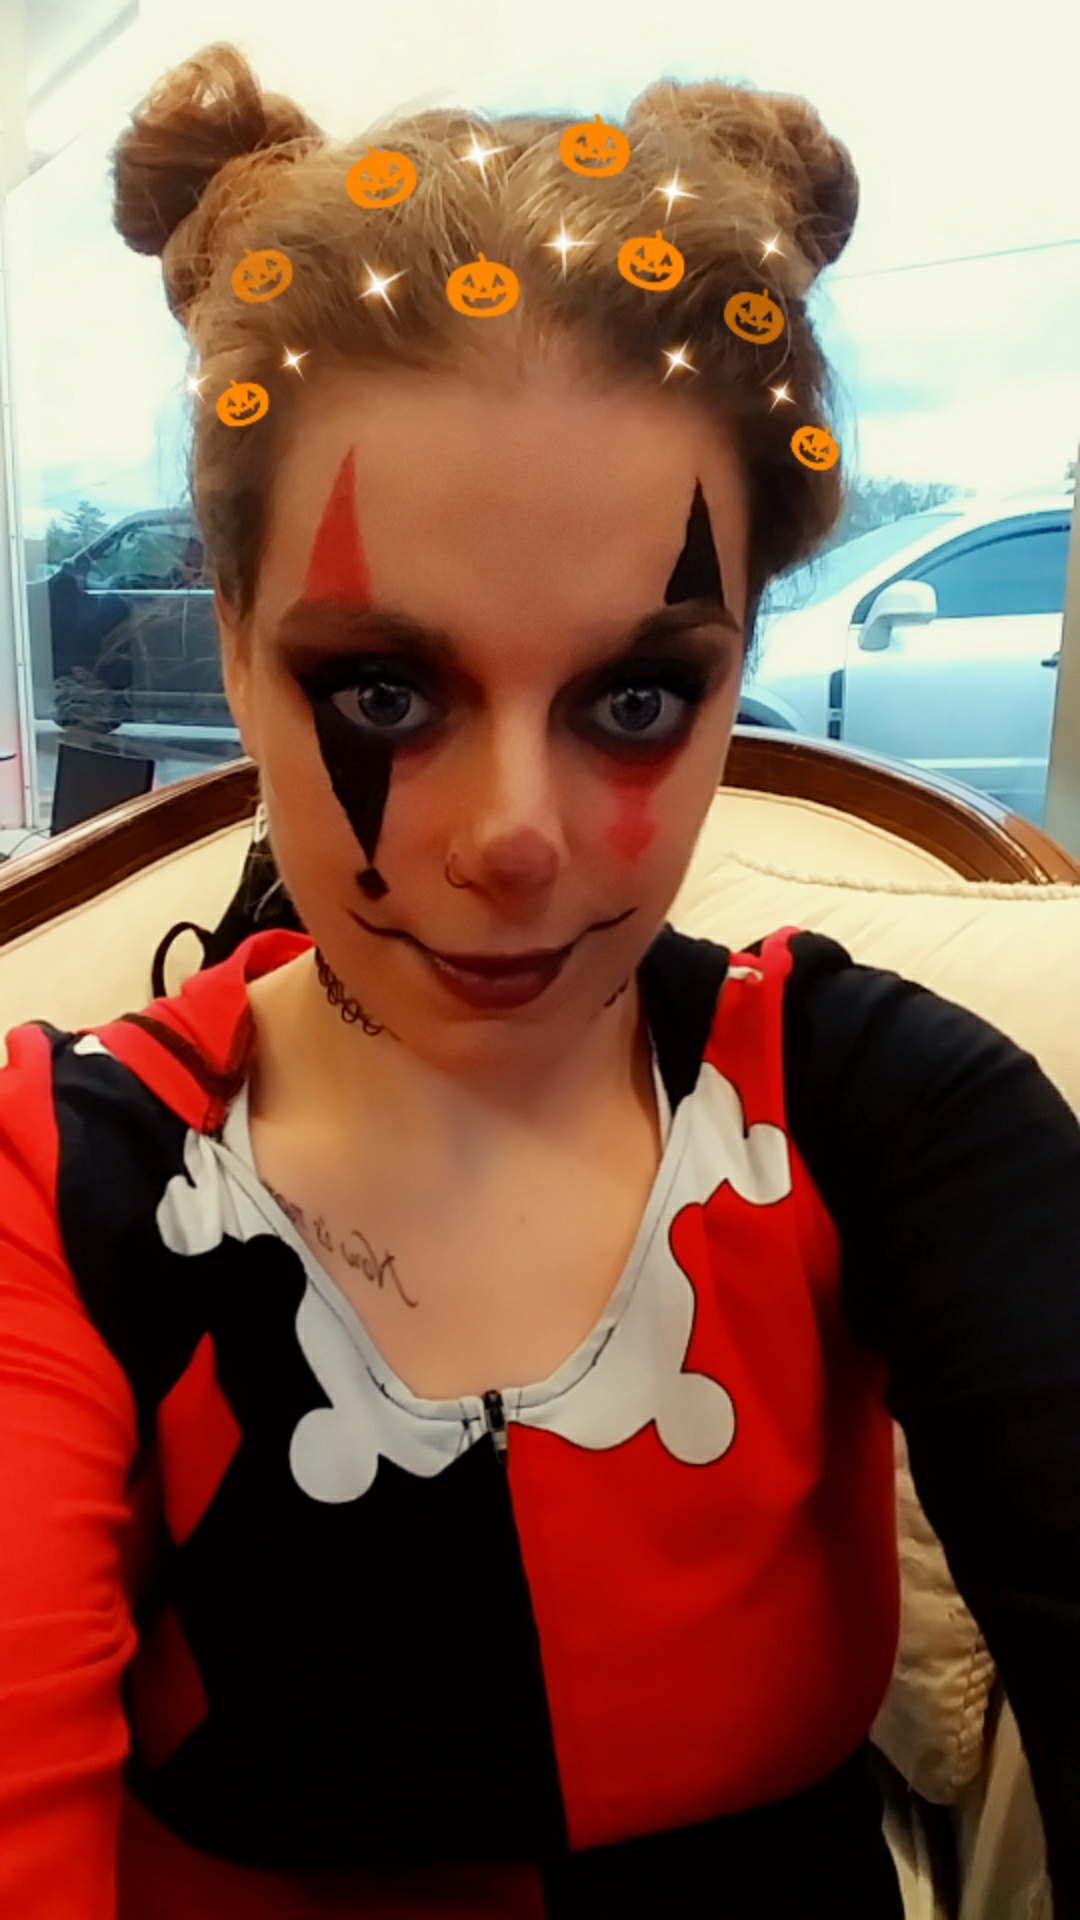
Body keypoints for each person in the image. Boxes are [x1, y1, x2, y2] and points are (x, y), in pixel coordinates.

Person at [0, 40, 1077, 1920]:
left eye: (637, 697)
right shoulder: (54, 1186)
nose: (515, 839)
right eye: (385, 690)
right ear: (233, 646)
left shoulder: (892, 1112)